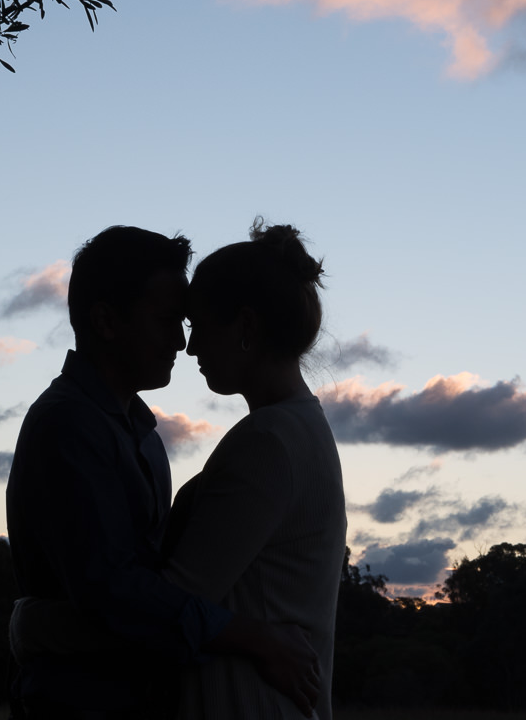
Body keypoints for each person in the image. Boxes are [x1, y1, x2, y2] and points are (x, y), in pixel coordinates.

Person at [6, 226, 320, 720]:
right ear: (107, 321)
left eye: (186, 323)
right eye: (167, 321)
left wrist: (33, 624)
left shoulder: (144, 436)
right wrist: (253, 638)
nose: (181, 341)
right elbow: (118, 598)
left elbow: (152, 592)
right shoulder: (67, 426)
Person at [164, 222, 347, 720]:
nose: (190, 347)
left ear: (245, 327)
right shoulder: (301, 427)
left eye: (199, 325)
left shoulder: (267, 442)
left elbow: (171, 607)